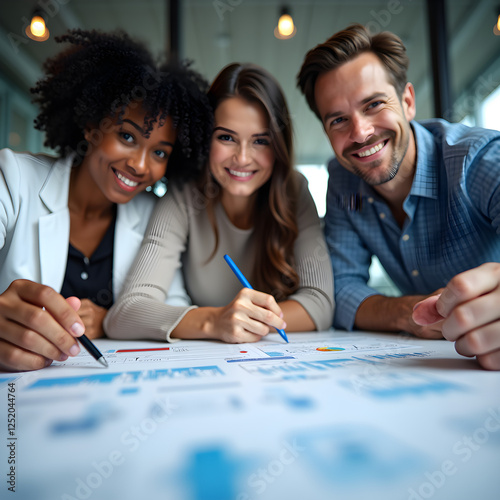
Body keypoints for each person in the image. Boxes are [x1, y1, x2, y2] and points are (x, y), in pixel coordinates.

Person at [0, 29, 213, 372]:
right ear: (90, 125)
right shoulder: (14, 179)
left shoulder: (153, 217)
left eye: (159, 152)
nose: (140, 166)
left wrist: (114, 319)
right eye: (126, 136)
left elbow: (172, 304)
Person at [297, 23, 500, 370]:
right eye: (339, 120)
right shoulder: (345, 184)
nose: (360, 133)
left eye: (374, 104)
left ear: (407, 101)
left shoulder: (477, 160)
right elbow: (343, 289)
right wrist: (411, 313)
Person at [104, 63, 334, 343]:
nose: (242, 158)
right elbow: (126, 313)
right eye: (226, 137)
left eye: (260, 141)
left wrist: (247, 321)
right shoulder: (185, 194)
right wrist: (215, 321)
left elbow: (320, 304)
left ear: (278, 147)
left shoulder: (294, 190)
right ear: (205, 139)